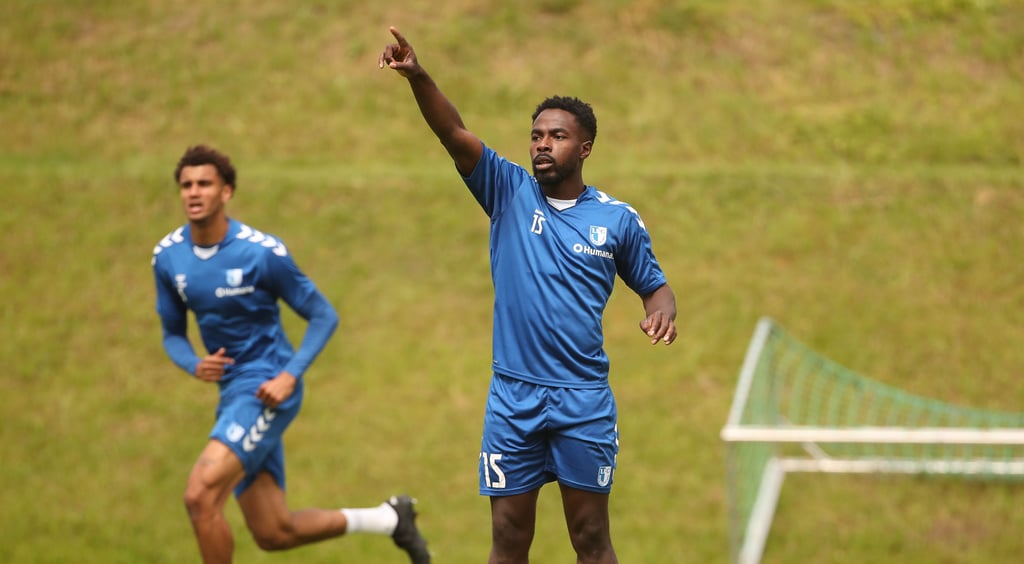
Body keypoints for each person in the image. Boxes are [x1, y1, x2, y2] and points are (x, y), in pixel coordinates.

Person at [379, 27, 677, 564]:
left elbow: (654, 287)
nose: (542, 143)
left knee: (590, 539)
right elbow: (454, 133)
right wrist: (418, 76)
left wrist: (663, 314)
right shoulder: (508, 191)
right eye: (536, 134)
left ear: (584, 148)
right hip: (513, 399)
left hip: (582, 400)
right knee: (509, 540)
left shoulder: (617, 220)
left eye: (557, 136)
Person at [151, 144, 431, 564]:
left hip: (267, 387)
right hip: (233, 396)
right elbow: (172, 333)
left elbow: (322, 314)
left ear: (226, 192)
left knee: (200, 495)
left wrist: (290, 375)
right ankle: (390, 518)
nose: (193, 192)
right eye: (186, 185)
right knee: (273, 531)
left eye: (204, 184)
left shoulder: (260, 253)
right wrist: (193, 362)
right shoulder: (168, 257)